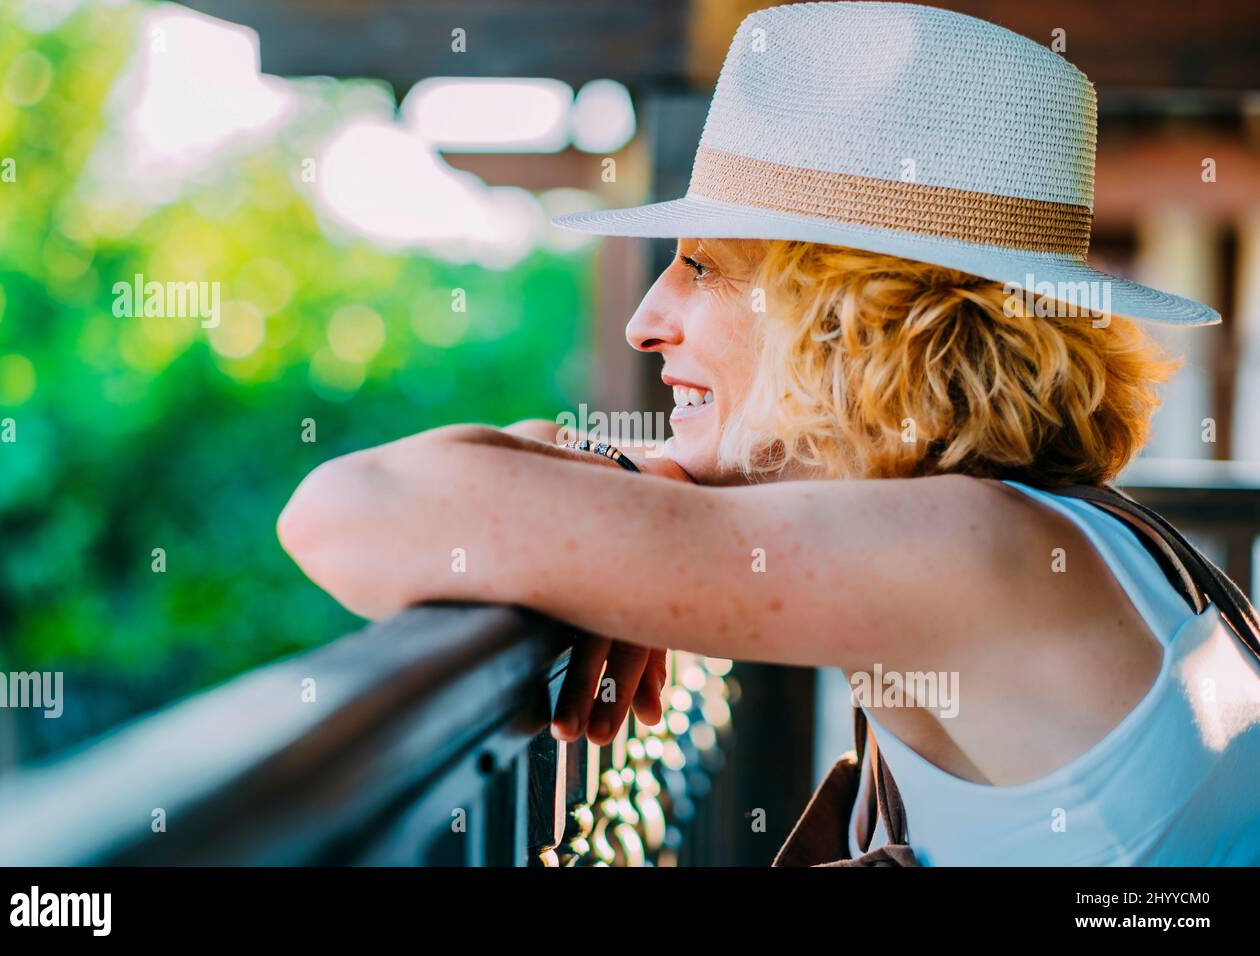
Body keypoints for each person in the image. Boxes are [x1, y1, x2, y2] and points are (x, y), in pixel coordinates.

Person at [278, 3, 1259, 864]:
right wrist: (614, 499)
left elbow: (341, 514)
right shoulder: (1055, 538)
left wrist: (613, 500)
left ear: (854, 307)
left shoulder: (964, 553)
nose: (644, 319)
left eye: (702, 266)